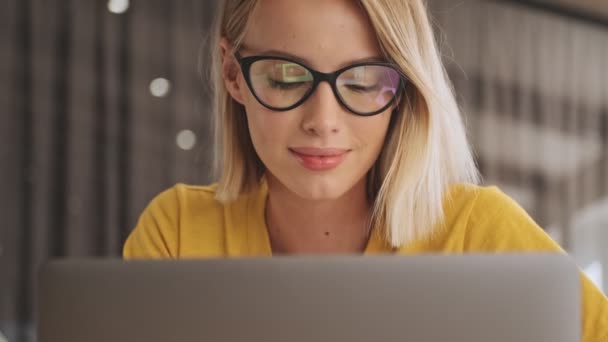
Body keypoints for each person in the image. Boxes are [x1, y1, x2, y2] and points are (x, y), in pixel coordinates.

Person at [123, 0, 608, 339]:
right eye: (287, 77)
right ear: (233, 74)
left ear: (401, 89)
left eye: (363, 81)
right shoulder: (179, 234)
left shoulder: (477, 234)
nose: (322, 122)